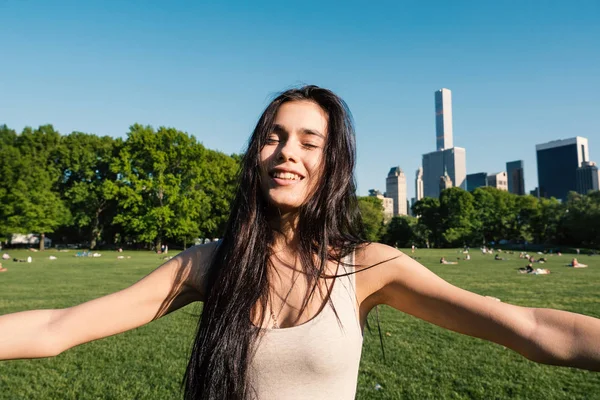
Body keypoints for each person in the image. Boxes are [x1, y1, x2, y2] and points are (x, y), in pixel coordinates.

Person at [0, 86, 599, 400]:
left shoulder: (371, 267)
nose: (288, 151)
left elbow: (532, 329)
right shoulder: (206, 266)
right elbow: (58, 330)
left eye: (309, 142)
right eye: (274, 136)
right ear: (256, 154)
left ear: (330, 164)